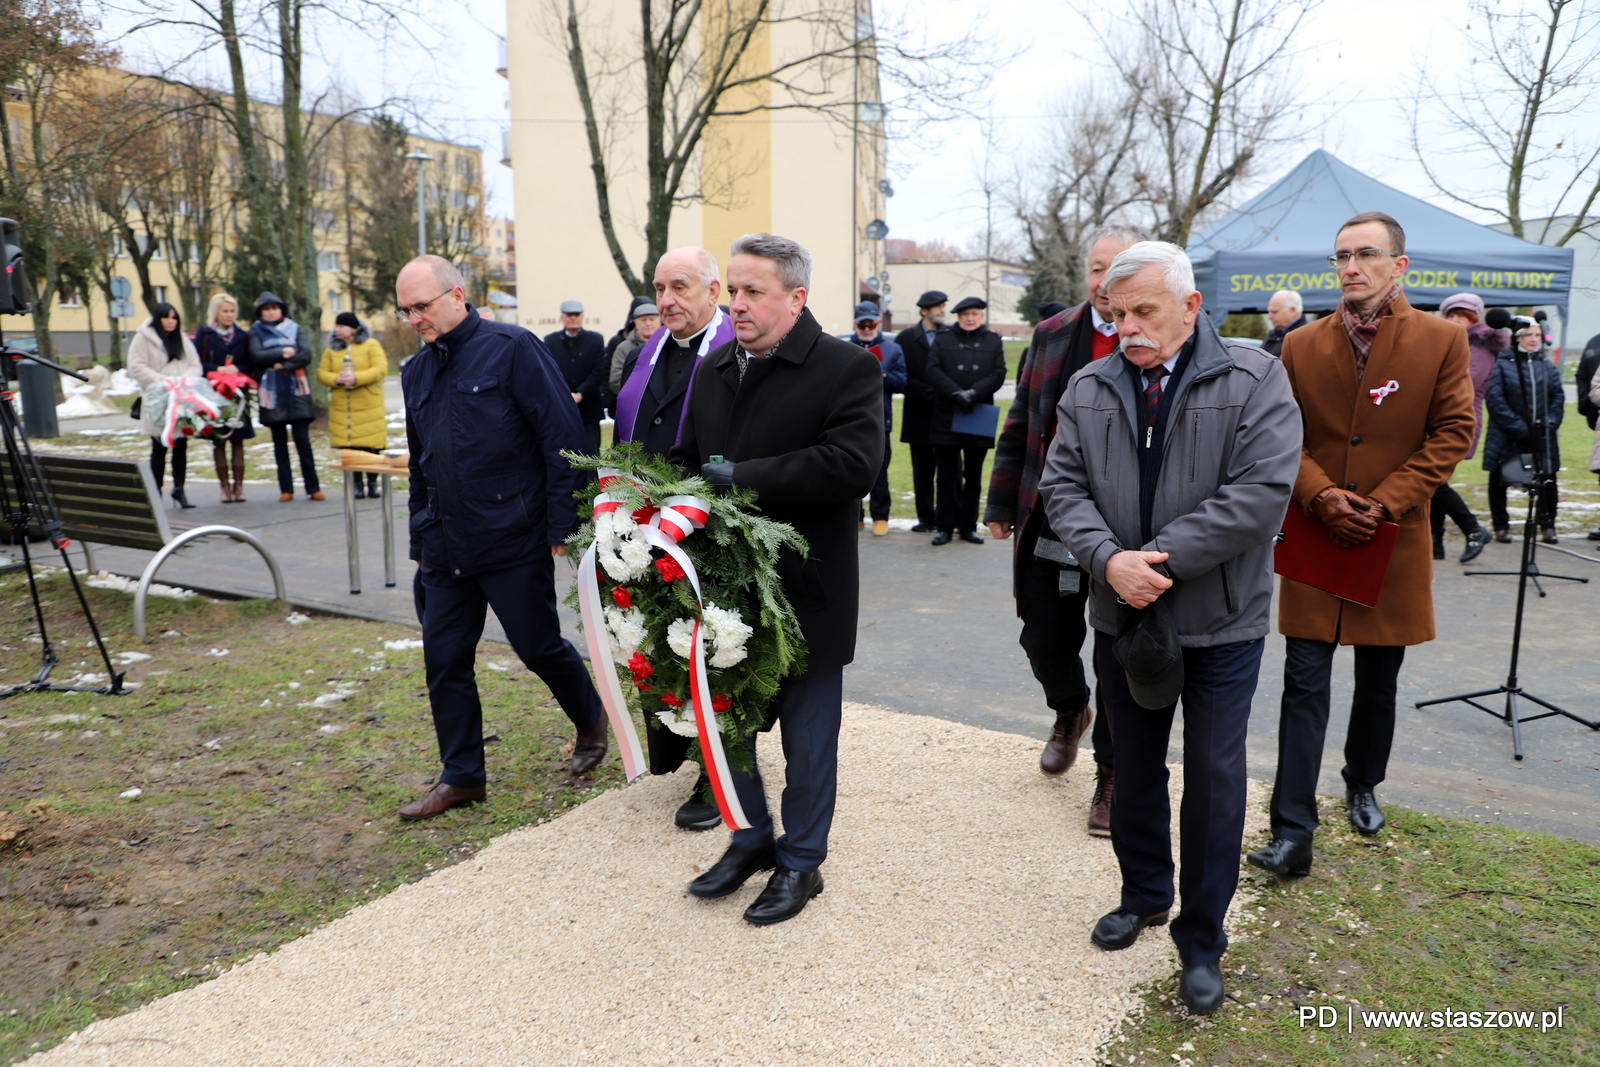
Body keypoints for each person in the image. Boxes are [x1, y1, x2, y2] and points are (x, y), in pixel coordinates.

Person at [1037, 241, 1301, 1016]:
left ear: (1191, 305)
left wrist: (1158, 560)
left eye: (1144, 312)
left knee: (1215, 783)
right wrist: (1107, 560)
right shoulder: (1090, 386)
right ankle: (1144, 894)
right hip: (1122, 615)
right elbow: (1063, 485)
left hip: (1220, 620)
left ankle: (1202, 939)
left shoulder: (1255, 377)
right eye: (1117, 315)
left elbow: (1261, 493)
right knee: (1135, 769)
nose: (1128, 329)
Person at [1250, 211, 1475, 882]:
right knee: (1303, 682)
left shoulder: (1440, 340)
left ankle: (1362, 781)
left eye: (1365, 254)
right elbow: (1279, 435)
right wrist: (1320, 495)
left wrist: (1385, 502)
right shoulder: (1300, 344)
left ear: (1399, 265)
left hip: (1392, 536)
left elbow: (1453, 431)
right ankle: (1292, 829)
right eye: (1342, 255)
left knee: (1379, 682)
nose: (1350, 266)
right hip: (1318, 533)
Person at [670, 233, 882, 925]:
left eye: (752, 291)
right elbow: (688, 458)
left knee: (809, 737)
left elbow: (854, 463)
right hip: (724, 591)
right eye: (732, 290)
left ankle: (802, 862)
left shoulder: (845, 367)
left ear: (796, 297)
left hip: (807, 590)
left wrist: (746, 479)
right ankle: (751, 835)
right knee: (724, 723)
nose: (736, 304)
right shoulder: (716, 367)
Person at [396, 255, 609, 820]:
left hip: (510, 536)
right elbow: (421, 464)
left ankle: (591, 718)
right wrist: (421, 535)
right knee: (444, 660)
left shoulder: (512, 348)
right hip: (445, 544)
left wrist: (561, 522)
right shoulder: (415, 372)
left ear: (457, 295)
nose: (414, 317)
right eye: (406, 309)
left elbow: (561, 434)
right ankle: (462, 776)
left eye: (423, 305)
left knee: (538, 646)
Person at [985, 226, 1141, 836]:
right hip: (1053, 519)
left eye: (1117, 269)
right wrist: (1002, 501)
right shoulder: (1052, 336)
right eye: (1096, 270)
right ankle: (1069, 710)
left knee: (1118, 656)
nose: (1104, 284)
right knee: (1044, 640)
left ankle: (1111, 774)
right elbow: (1021, 421)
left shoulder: (1154, 335)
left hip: (1130, 530)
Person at [612, 246, 737, 832]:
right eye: (660, 289)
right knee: (658, 638)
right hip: (648, 526)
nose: (666, 301)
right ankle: (676, 749)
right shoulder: (649, 351)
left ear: (714, 292)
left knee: (713, 648)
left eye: (680, 287)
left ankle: (723, 772)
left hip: (710, 527)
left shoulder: (737, 352)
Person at [925, 296, 1006, 546]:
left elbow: (999, 372)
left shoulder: (993, 341)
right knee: (947, 476)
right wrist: (955, 393)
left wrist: (974, 393)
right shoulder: (943, 339)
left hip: (978, 414)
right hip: (947, 414)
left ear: (981, 316)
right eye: (965, 314)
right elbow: (932, 370)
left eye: (975, 314)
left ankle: (968, 527)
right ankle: (944, 527)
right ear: (958, 317)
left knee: (973, 476)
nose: (970, 318)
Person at [1431, 293, 1499, 561]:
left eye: (1461, 315)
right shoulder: (1449, 342)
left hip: (1460, 419)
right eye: (1451, 315)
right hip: (1439, 418)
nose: (1455, 320)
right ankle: (1435, 543)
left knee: (1433, 479)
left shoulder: (1478, 346)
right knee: (1436, 479)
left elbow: (1464, 385)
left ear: (1474, 318)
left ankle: (1473, 529)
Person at [1484, 322, 1564, 543]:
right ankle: (1501, 526)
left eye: (1537, 334)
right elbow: (1496, 400)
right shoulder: (1501, 364)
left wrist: (1550, 422)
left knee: (1548, 479)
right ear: (1517, 337)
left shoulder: (1546, 365)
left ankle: (1547, 525)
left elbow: (1557, 397)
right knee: (1499, 478)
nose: (1534, 339)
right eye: (1529, 334)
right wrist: (1521, 428)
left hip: (1542, 435)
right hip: (1507, 435)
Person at [248, 292, 323, 502]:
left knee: (303, 442)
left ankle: (313, 487)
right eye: (267, 308)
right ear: (261, 312)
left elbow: (306, 354)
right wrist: (284, 351)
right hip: (271, 394)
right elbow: (257, 356)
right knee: (279, 444)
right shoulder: (255, 331)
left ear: (281, 309)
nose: (272, 312)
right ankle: (286, 489)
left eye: (275, 307)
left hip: (297, 391)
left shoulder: (295, 328)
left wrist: (282, 364)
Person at [128, 301, 203, 509]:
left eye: (174, 317)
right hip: (157, 400)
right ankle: (156, 491)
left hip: (181, 398)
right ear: (157, 318)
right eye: (166, 317)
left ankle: (179, 489)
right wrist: (163, 382)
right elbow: (136, 366)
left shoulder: (183, 339)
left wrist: (181, 382)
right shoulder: (143, 338)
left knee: (181, 445)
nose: (170, 322)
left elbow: (195, 365)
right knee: (159, 446)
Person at [842, 300, 907, 536]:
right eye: (863, 324)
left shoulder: (892, 349)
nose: (867, 328)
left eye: (871, 323)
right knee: (849, 470)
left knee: (880, 471)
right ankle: (855, 517)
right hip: (849, 420)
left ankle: (881, 517)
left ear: (879, 323)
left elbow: (902, 382)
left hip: (881, 420)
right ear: (856, 324)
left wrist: (881, 375)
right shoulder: (844, 348)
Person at [318, 311, 390, 498]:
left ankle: (373, 484)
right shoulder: (332, 350)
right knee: (351, 448)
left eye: (342, 326)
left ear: (353, 328)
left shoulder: (371, 345)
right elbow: (322, 373)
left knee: (370, 447)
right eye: (337, 326)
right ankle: (356, 485)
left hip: (368, 405)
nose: (338, 330)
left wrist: (357, 378)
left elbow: (380, 369)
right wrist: (337, 378)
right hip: (344, 407)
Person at [895, 290, 949, 532]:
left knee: (948, 470)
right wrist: (926, 391)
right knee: (922, 471)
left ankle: (947, 518)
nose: (942, 310)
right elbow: (900, 375)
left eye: (943, 306)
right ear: (924, 310)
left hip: (946, 413)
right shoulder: (905, 338)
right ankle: (926, 519)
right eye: (937, 307)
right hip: (918, 413)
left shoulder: (950, 335)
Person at [193, 292, 254, 504]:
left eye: (232, 311)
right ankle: (224, 488)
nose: (229, 315)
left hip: (237, 393)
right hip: (214, 392)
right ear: (215, 312)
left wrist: (239, 369)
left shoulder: (243, 336)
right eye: (225, 311)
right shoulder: (205, 335)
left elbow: (251, 362)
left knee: (238, 440)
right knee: (218, 440)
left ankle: (239, 486)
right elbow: (196, 363)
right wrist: (215, 369)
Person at [543, 300, 607, 462]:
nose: (573, 318)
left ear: (582, 317)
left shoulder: (595, 340)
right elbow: (549, 371)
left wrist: (581, 393)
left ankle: (592, 486)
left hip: (589, 407)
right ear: (562, 317)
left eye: (576, 315)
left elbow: (598, 371)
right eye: (569, 315)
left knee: (591, 453)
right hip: (561, 407)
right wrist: (565, 394)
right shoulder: (550, 341)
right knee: (563, 452)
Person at [604, 296, 654, 406]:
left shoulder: (672, 343)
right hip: (632, 404)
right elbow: (614, 380)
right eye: (643, 319)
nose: (648, 323)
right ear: (635, 322)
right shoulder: (623, 347)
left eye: (652, 319)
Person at [1260, 290, 1307, 357]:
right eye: (1269, 312)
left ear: (1293, 310)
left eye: (1274, 312)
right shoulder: (1273, 335)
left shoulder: (1305, 337)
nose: (1269, 317)